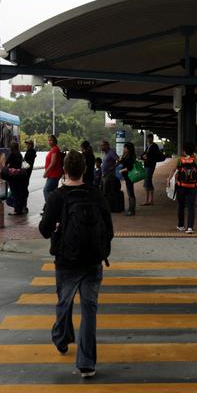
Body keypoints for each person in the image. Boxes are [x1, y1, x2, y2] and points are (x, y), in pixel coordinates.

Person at [38, 150, 113, 379]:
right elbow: (109, 229)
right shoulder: (95, 193)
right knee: (89, 311)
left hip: (66, 262)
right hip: (92, 262)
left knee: (64, 302)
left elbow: (43, 230)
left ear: (64, 171)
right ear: (85, 170)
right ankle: (87, 364)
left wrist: (59, 230)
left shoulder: (57, 197)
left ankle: (61, 338)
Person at [167, 142, 197, 234]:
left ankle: (181, 225)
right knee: (191, 207)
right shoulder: (196, 160)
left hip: (181, 186)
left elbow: (174, 170)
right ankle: (190, 227)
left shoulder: (180, 160)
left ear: (184, 150)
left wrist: (168, 180)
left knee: (181, 206)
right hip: (192, 187)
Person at [4, 141, 28, 215]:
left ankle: (16, 210)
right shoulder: (19, 154)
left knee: (14, 192)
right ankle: (20, 208)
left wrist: (6, 168)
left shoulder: (12, 154)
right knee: (18, 192)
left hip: (13, 176)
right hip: (19, 175)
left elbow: (6, 162)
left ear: (11, 147)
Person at [141, 133, 161, 206]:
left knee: (147, 181)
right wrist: (144, 156)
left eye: (150, 138)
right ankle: (150, 200)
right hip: (147, 165)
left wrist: (146, 156)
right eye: (148, 138)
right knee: (148, 181)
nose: (149, 139)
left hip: (150, 165)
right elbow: (143, 155)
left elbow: (152, 155)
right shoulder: (148, 146)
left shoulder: (154, 146)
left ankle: (148, 200)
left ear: (152, 138)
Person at [42, 134, 63, 206]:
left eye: (50, 140)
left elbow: (53, 162)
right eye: (48, 140)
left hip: (54, 174)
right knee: (52, 192)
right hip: (53, 174)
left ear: (54, 141)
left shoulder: (55, 149)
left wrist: (46, 172)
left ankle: (49, 208)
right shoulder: (54, 149)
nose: (49, 142)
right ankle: (53, 208)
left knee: (46, 190)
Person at [118, 141, 137, 216]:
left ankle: (132, 210)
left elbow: (129, 168)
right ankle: (130, 209)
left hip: (129, 176)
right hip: (127, 177)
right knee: (129, 192)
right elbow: (120, 161)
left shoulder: (130, 157)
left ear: (128, 149)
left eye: (125, 147)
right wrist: (122, 156)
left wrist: (121, 170)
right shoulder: (126, 155)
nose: (124, 148)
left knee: (130, 193)